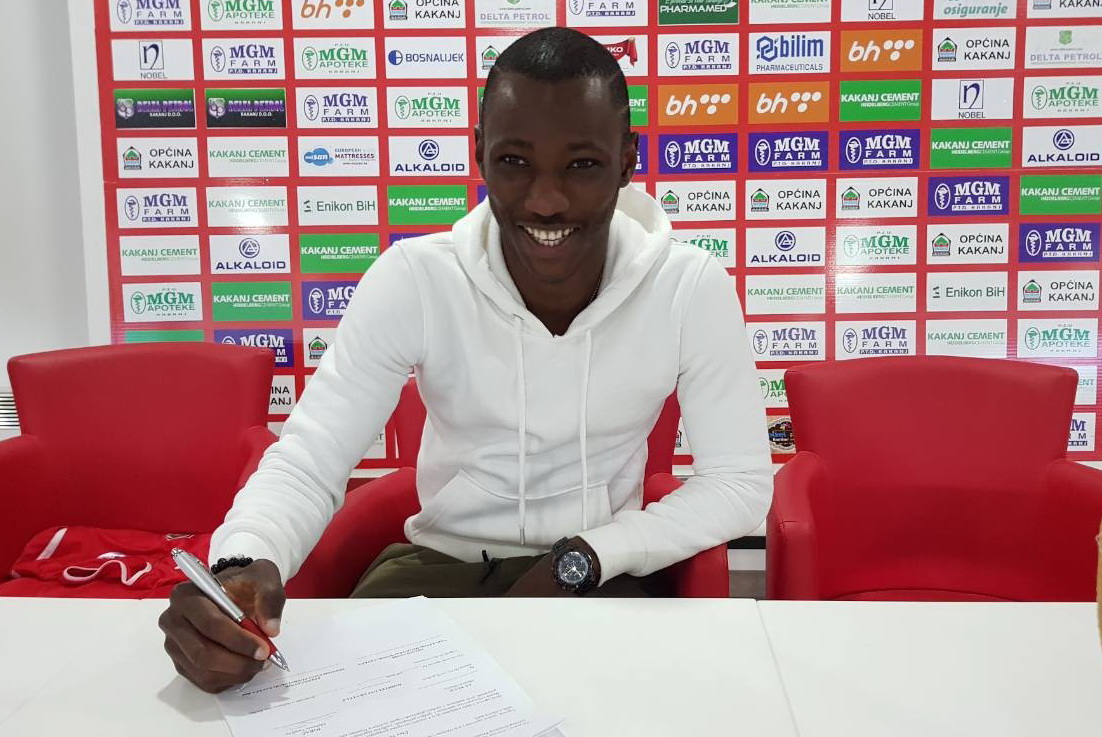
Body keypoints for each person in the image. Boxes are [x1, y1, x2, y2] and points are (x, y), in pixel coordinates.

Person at [159, 26, 771, 693]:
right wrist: (242, 564)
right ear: (479, 152)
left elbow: (739, 483)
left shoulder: (689, 287)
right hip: (437, 568)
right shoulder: (416, 279)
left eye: (582, 165)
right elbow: (309, 460)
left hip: (601, 576)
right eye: (514, 161)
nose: (546, 200)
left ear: (627, 161)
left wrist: (588, 556)